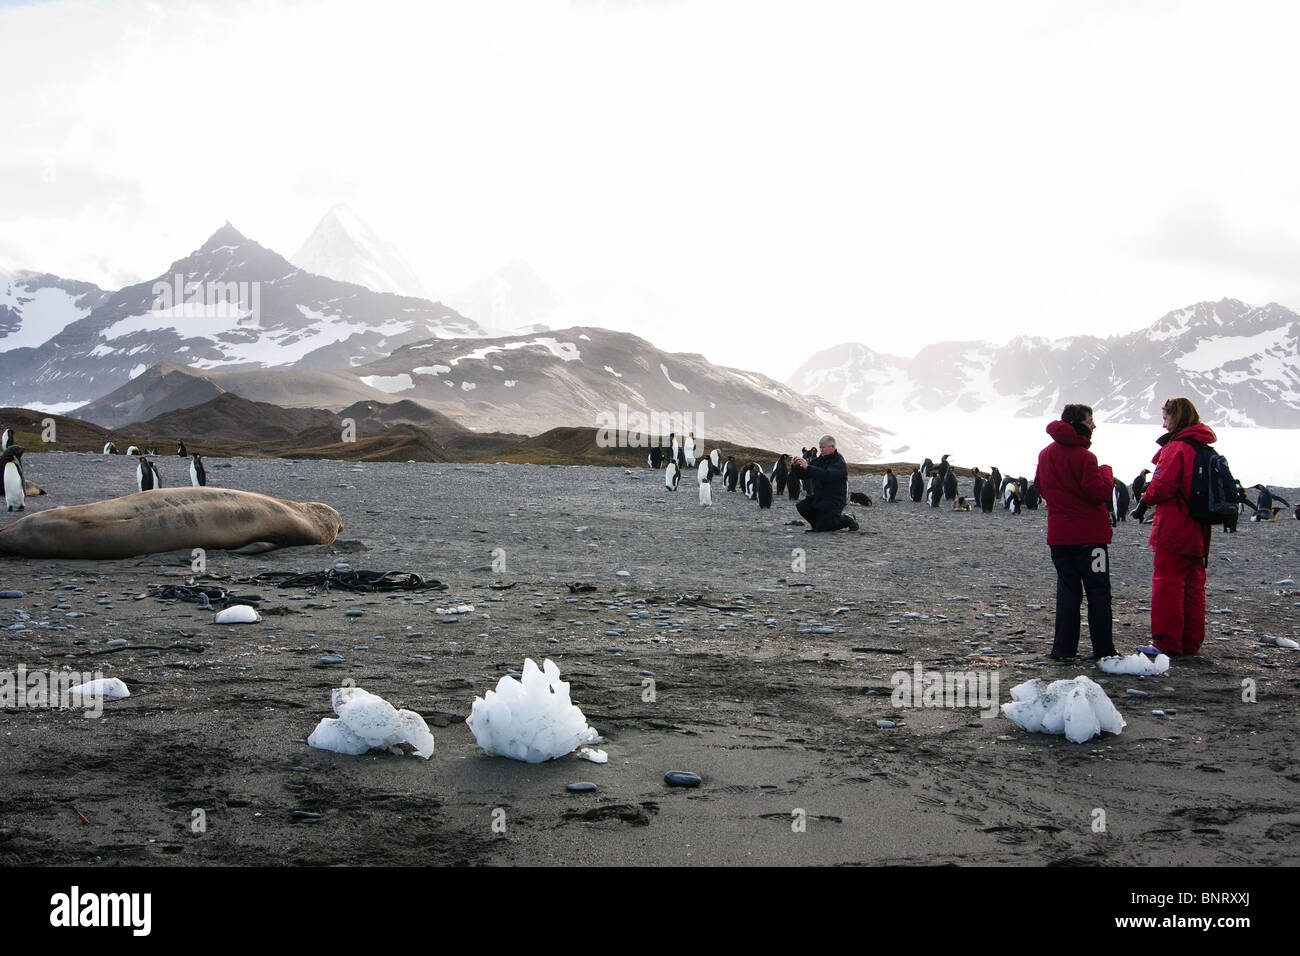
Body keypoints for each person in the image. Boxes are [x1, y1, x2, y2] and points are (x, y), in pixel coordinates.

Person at [1034, 404, 1118, 661]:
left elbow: (1040, 487)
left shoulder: (1046, 454)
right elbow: (1098, 493)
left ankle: (1063, 650)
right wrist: (1107, 473)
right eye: (1090, 420)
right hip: (1090, 540)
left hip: (1059, 539)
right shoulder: (1085, 457)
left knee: (1068, 592)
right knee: (1098, 591)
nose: (1094, 425)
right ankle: (1103, 650)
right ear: (1078, 423)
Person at [1135, 396, 1217, 657]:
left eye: (1166, 418)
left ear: (1177, 417)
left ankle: (1167, 643)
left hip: (1174, 526)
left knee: (1168, 584)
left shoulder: (1177, 448)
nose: (1163, 425)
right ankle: (1191, 642)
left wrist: (1144, 501)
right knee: (1194, 586)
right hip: (1199, 529)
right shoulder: (1204, 448)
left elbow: (1162, 487)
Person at [791, 435, 858, 532]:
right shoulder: (819, 460)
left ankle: (847, 519)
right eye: (820, 447)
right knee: (802, 506)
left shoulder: (839, 462)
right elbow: (804, 475)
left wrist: (808, 467)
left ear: (832, 447)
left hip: (833, 500)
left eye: (823, 447)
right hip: (820, 497)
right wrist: (796, 466)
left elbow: (827, 475)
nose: (821, 450)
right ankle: (817, 526)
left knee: (825, 526)